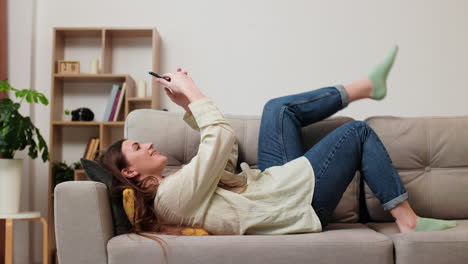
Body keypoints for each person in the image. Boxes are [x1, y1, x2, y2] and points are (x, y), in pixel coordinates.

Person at [99, 45, 457, 249]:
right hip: (295, 205)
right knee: (357, 134)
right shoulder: (170, 198)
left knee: (277, 109)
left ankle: (364, 86)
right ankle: (407, 221)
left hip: (274, 186)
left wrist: (186, 106)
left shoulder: (177, 185)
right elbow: (219, 138)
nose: (147, 143)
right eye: (136, 146)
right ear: (129, 170)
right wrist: (193, 90)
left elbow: (227, 153)